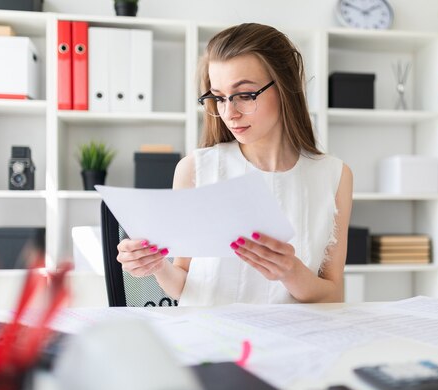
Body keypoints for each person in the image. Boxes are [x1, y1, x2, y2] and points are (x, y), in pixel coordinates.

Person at [117, 23, 353, 306]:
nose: (229, 113)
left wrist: (291, 272)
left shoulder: (333, 176)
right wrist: (156, 266)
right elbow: (183, 283)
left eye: (245, 95)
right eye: (218, 97)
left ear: (285, 87)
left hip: (290, 343)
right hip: (208, 340)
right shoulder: (194, 170)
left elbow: (334, 294)